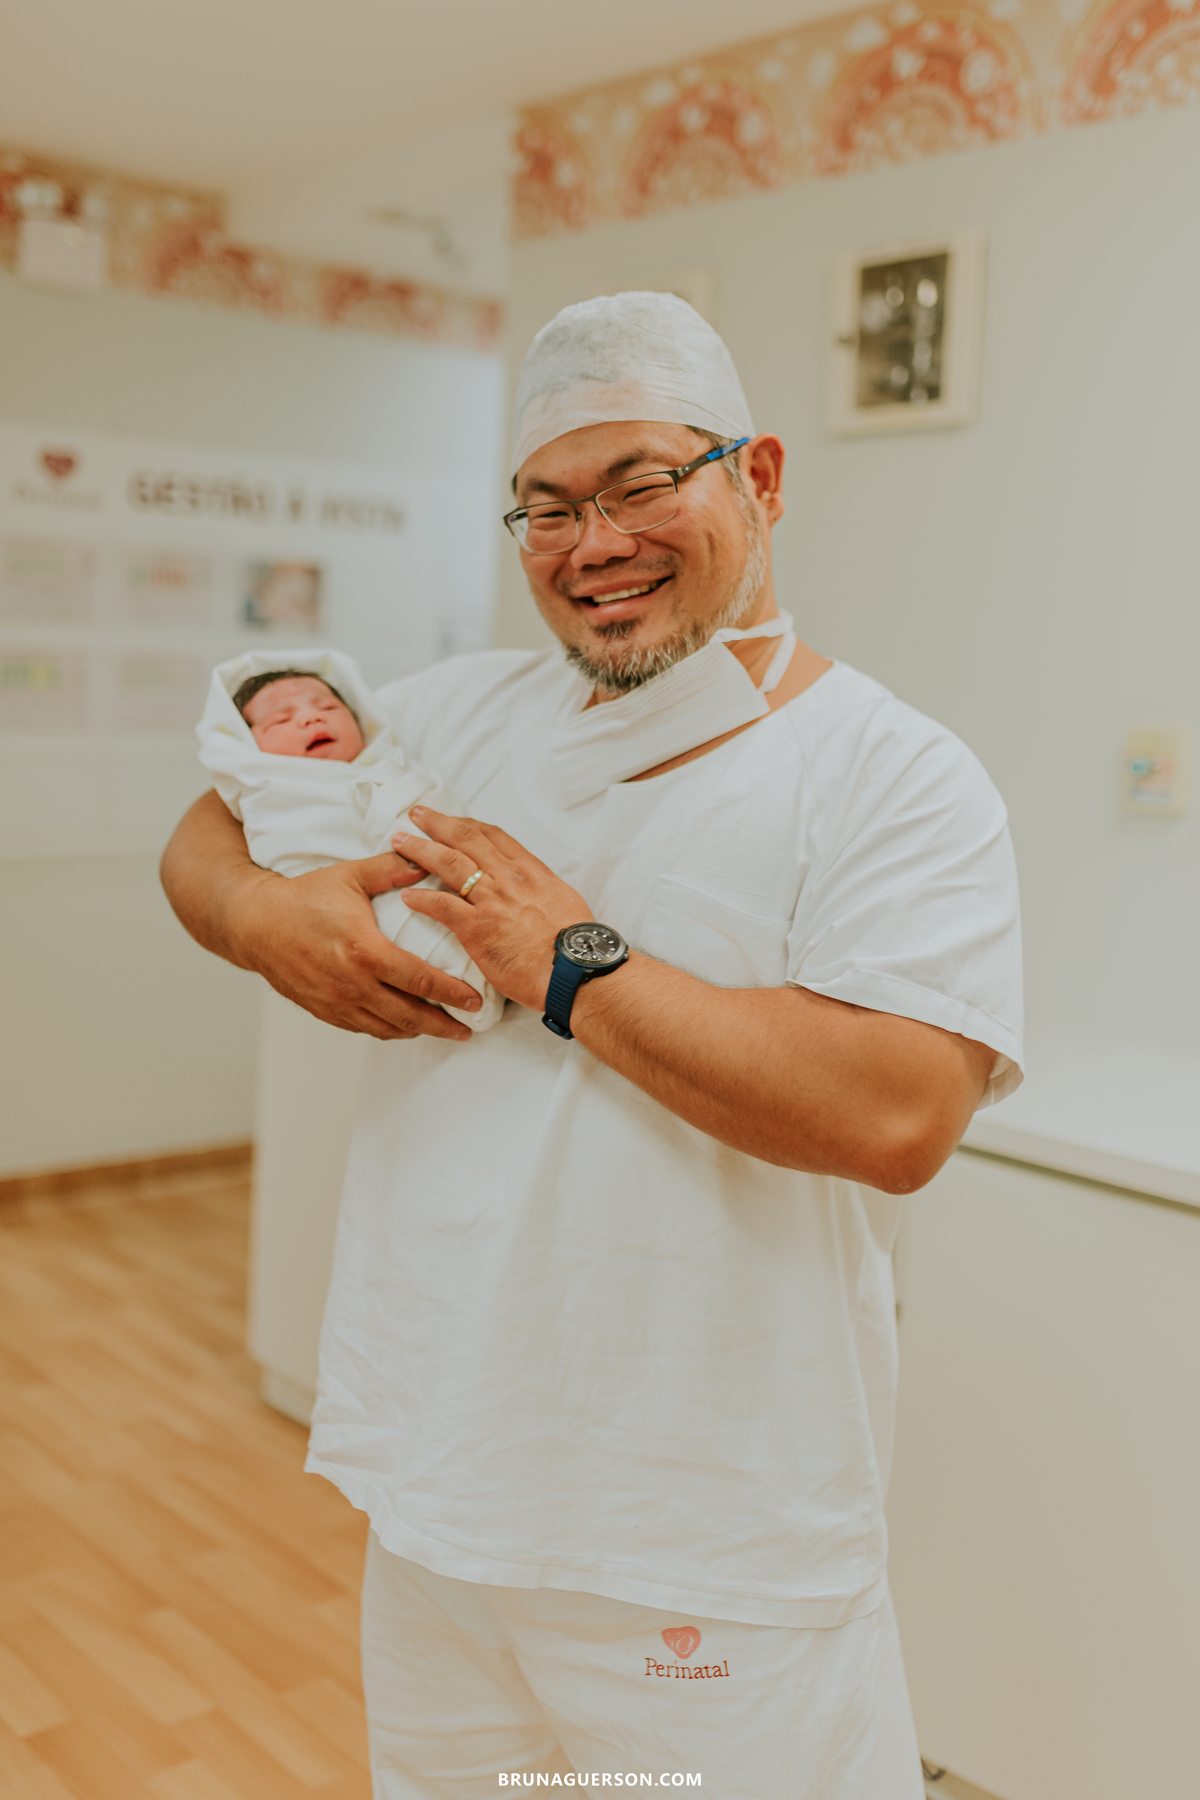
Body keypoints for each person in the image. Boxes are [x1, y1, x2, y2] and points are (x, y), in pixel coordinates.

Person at [162, 291, 1023, 1799]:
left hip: (704, 1545)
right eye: (547, 507)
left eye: (639, 483)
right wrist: (258, 918)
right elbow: (213, 814)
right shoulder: (457, 719)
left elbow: (899, 1113)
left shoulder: (891, 775)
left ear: (755, 480)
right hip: (440, 1492)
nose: (592, 541)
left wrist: (569, 964)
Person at [194, 650, 502, 1030]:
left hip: (462, 890)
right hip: (365, 911)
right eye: (281, 719)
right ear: (246, 750)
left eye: (327, 706)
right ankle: (468, 979)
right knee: (406, 940)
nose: (311, 717)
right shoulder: (274, 798)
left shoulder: (394, 764)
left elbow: (443, 810)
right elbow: (289, 862)